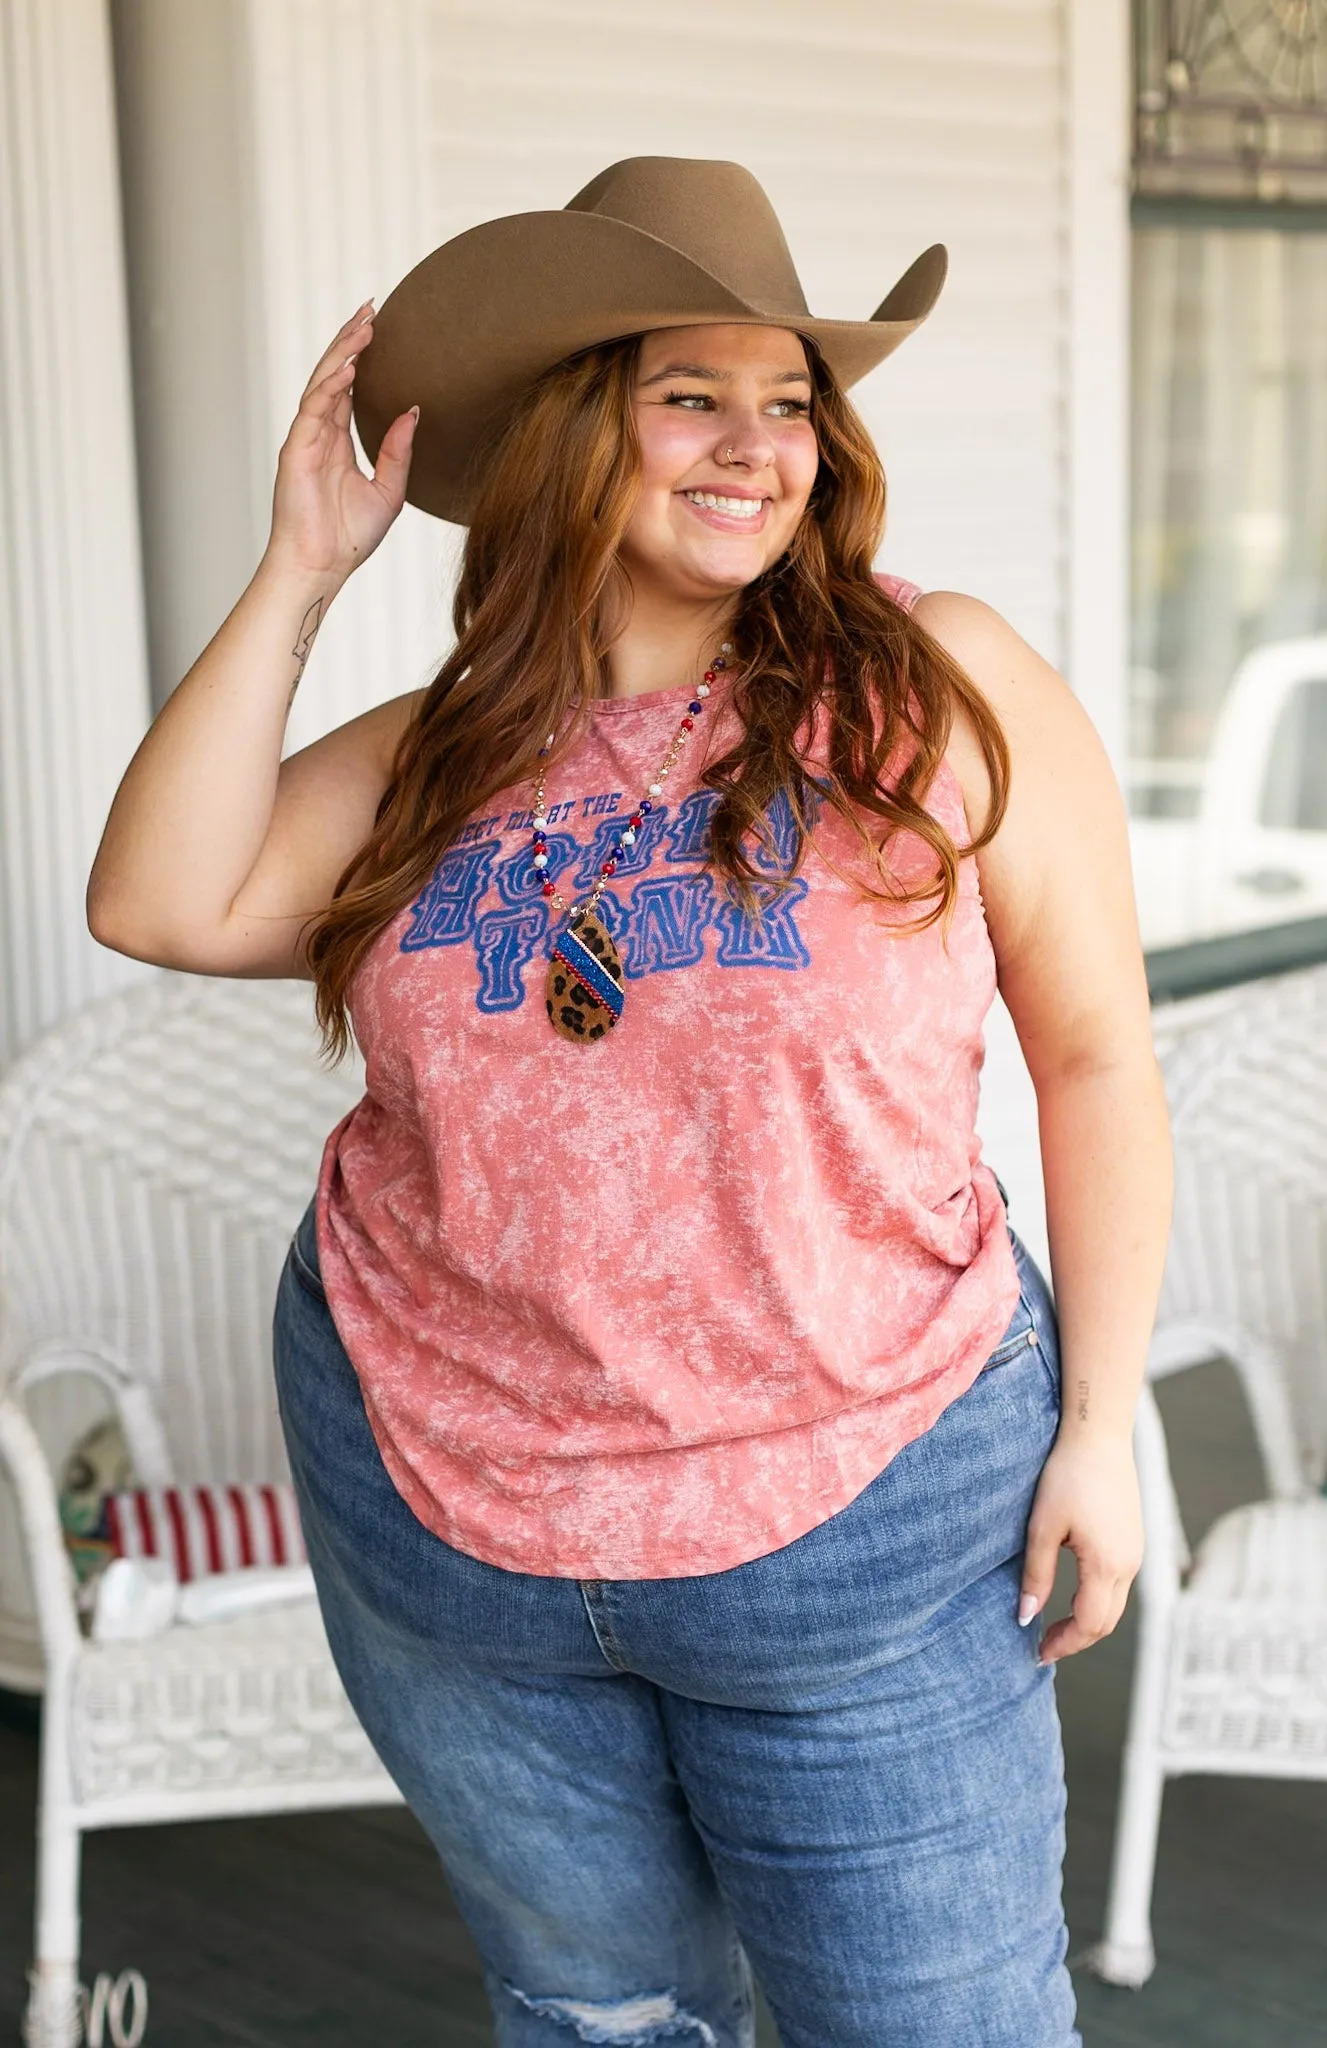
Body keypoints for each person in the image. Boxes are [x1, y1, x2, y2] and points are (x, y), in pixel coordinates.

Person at [88, 157, 1172, 2047]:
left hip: (864, 1532)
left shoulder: (937, 691)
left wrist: (1103, 1422)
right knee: (600, 2024)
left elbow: (1093, 1054)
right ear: (580, 428)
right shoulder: (443, 751)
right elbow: (159, 900)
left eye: (791, 404)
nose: (757, 447)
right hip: (451, 1524)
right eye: (695, 396)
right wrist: (300, 572)